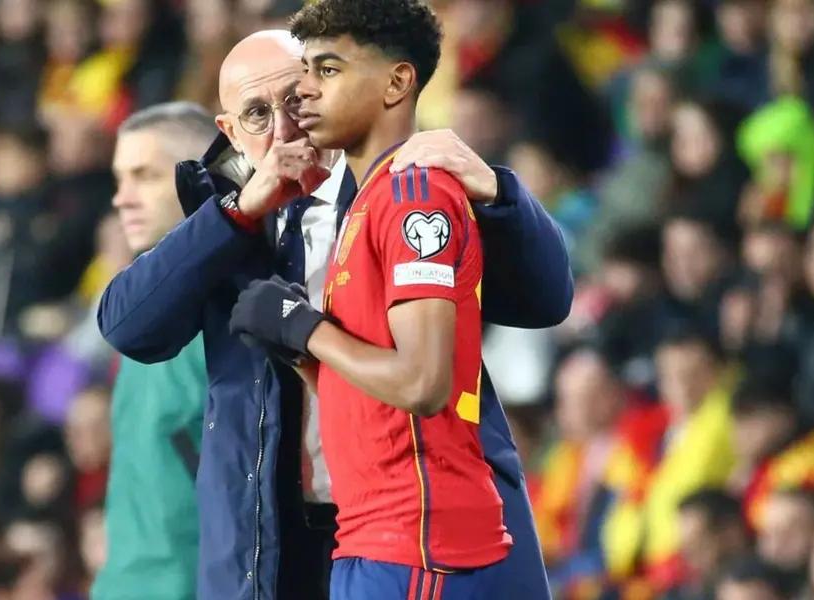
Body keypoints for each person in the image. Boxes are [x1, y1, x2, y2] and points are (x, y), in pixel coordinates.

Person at [99, 26, 570, 600]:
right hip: (267, 543)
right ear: (230, 131)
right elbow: (128, 326)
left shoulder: (405, 187)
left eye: (295, 100)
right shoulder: (222, 220)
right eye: (257, 114)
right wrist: (239, 212)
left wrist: (498, 193)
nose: (284, 129)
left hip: (409, 530)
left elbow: (545, 299)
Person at [227, 0, 531, 596]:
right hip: (376, 539)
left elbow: (422, 384)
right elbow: (376, 405)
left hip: (416, 542)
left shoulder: (415, 195)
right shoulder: (366, 204)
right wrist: (298, 351)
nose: (304, 90)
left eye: (328, 69)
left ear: (397, 83)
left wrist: (307, 328)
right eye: (307, 70)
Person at [91, 103, 214, 600]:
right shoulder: (141, 311)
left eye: (144, 176)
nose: (121, 198)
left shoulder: (233, 306)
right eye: (119, 179)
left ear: (200, 176)